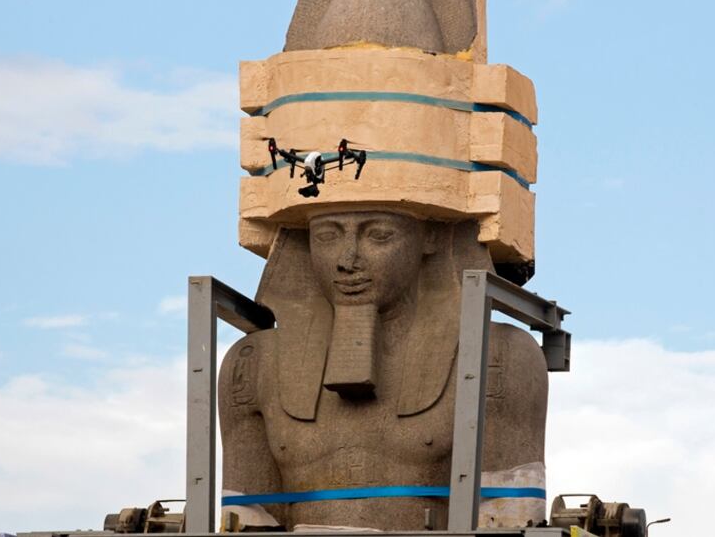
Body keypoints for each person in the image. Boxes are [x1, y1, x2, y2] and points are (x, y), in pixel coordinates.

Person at [219, 210, 548, 531]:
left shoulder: (500, 353)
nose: (347, 260)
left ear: (430, 236)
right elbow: (247, 521)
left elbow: (506, 521)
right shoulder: (252, 364)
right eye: (327, 236)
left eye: (378, 235)